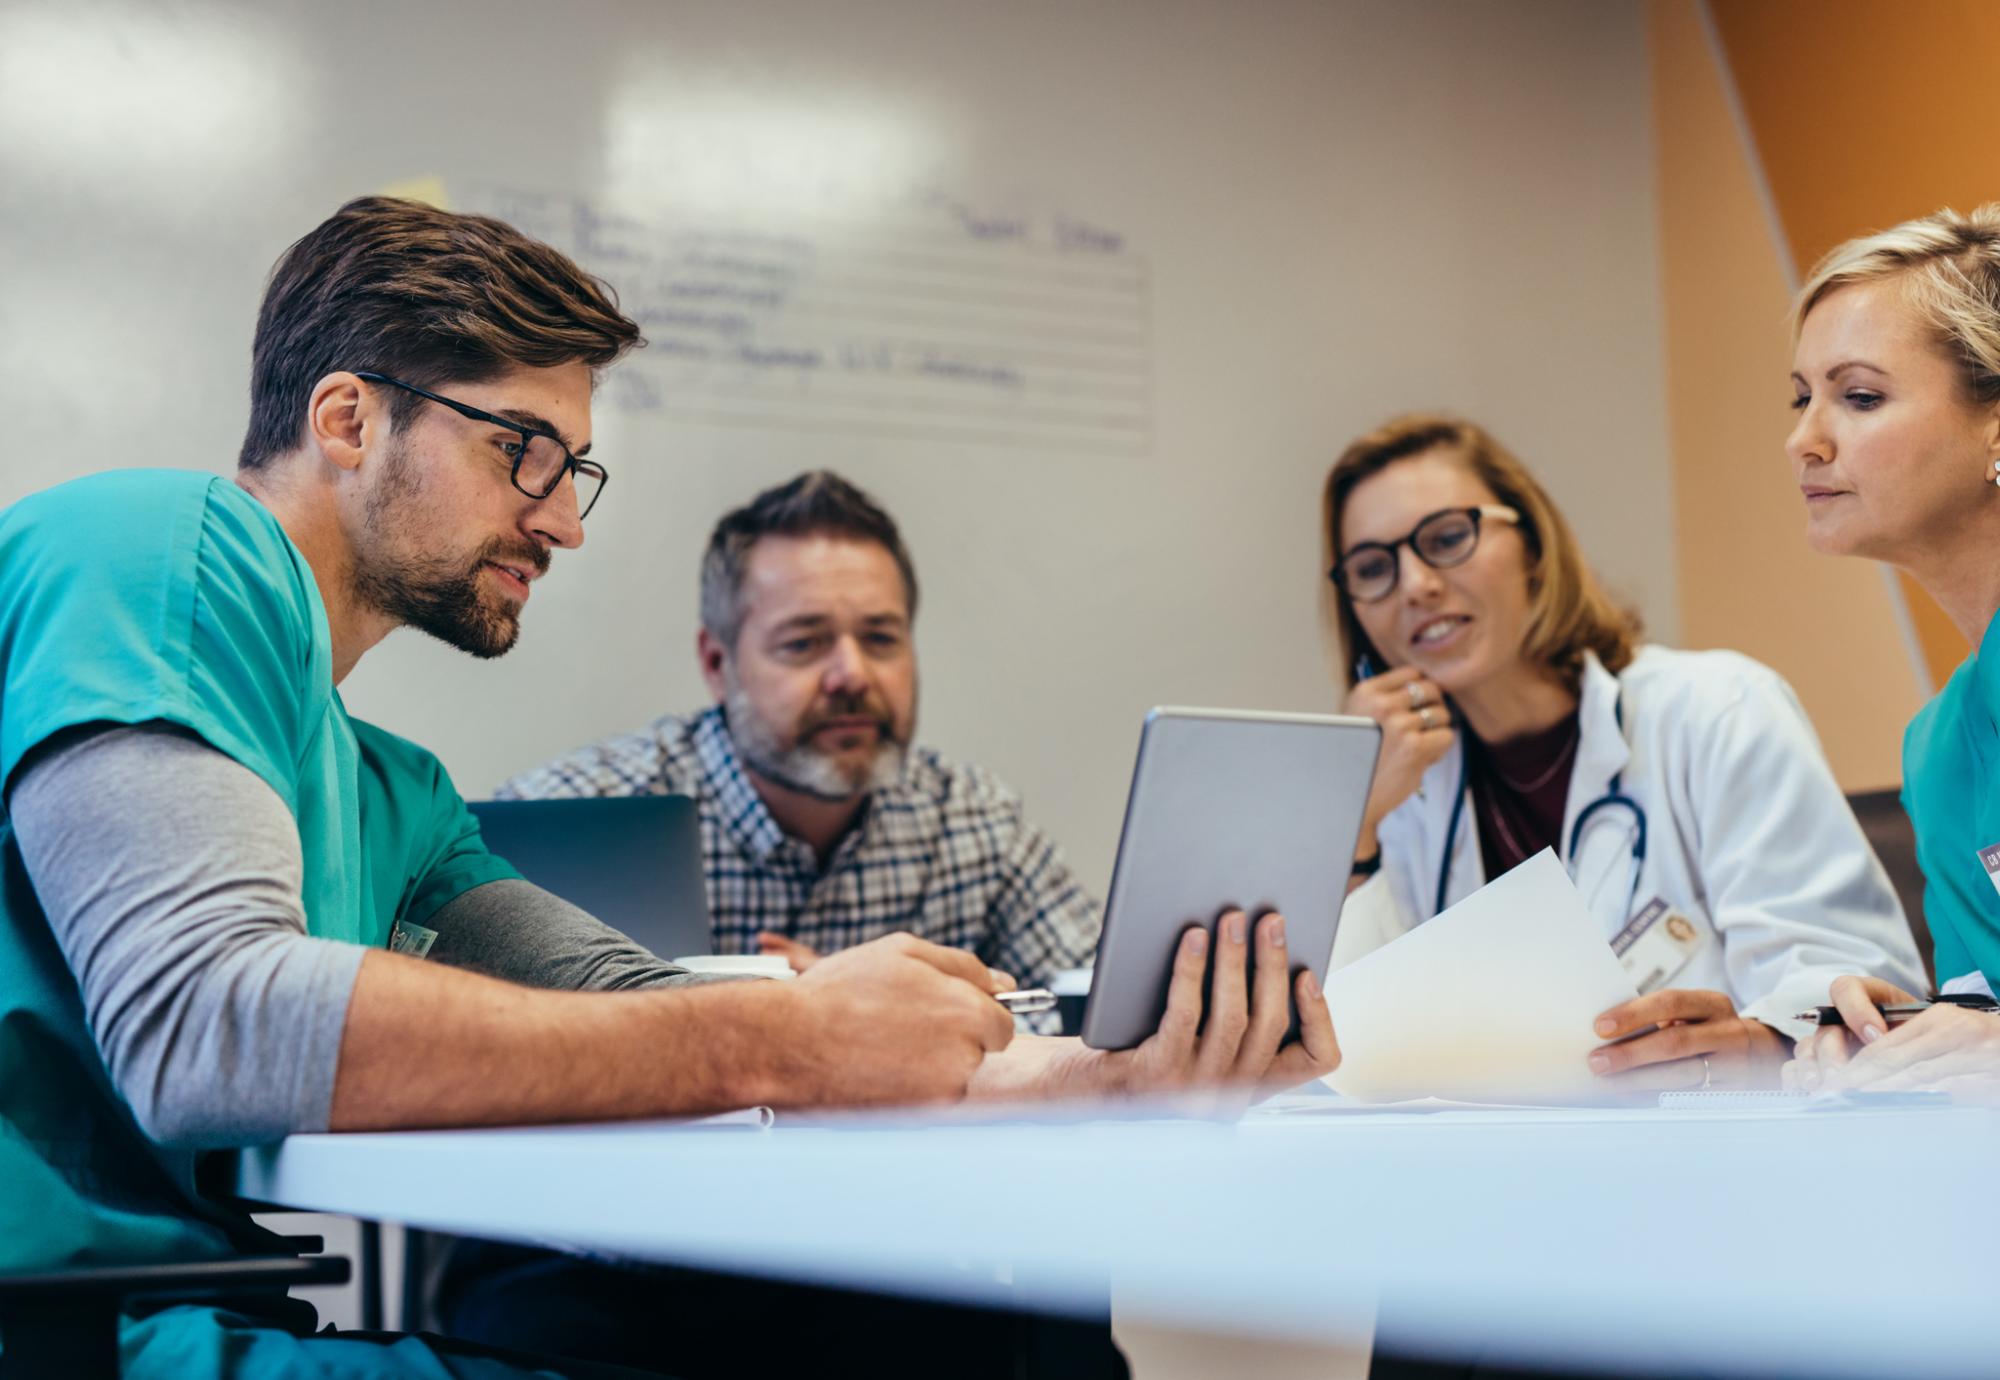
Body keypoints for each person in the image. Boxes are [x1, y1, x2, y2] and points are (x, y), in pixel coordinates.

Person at [0, 196, 1336, 1378]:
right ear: (348, 419)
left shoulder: (391, 795)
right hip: (77, 1330)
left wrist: (1104, 1079)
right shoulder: (159, 551)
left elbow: (631, 1007)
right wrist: (792, 1040)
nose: (566, 520)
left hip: (184, 1315)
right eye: (522, 449)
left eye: (574, 469)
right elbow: (203, 1023)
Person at [1323, 414, 1922, 1092]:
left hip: (1729, 1162)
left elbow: (1855, 989)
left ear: (1532, 546)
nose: (1414, 585)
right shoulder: (1401, 796)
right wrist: (1357, 819)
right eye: (1373, 568)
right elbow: (1351, 1058)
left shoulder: (1714, 710)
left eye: (1448, 538)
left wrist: (1758, 1046)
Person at [494, 469, 1095, 1012]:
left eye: (881, 639)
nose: (853, 676)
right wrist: (807, 1019)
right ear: (716, 663)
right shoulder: (569, 820)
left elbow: (1105, 1019)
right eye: (803, 643)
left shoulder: (974, 820)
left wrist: (906, 1010)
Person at [1777, 205, 2000, 1102]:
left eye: (1859, 397)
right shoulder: (1942, 748)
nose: (1804, 439)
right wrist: (1900, 1039)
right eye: (1802, 398)